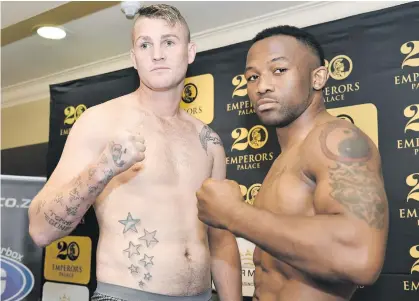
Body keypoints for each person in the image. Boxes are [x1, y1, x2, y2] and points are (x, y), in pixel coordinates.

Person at [28, 4, 242, 301]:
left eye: (168, 42)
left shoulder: (210, 141)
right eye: (145, 44)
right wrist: (103, 167)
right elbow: (40, 230)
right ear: (134, 58)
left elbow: (220, 238)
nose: (157, 54)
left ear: (190, 51)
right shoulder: (99, 121)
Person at [196, 25, 389, 301]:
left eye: (279, 70)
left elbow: (360, 257)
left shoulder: (334, 139)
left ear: (318, 77)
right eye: (252, 77)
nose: (262, 86)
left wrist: (233, 214)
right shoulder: (285, 159)